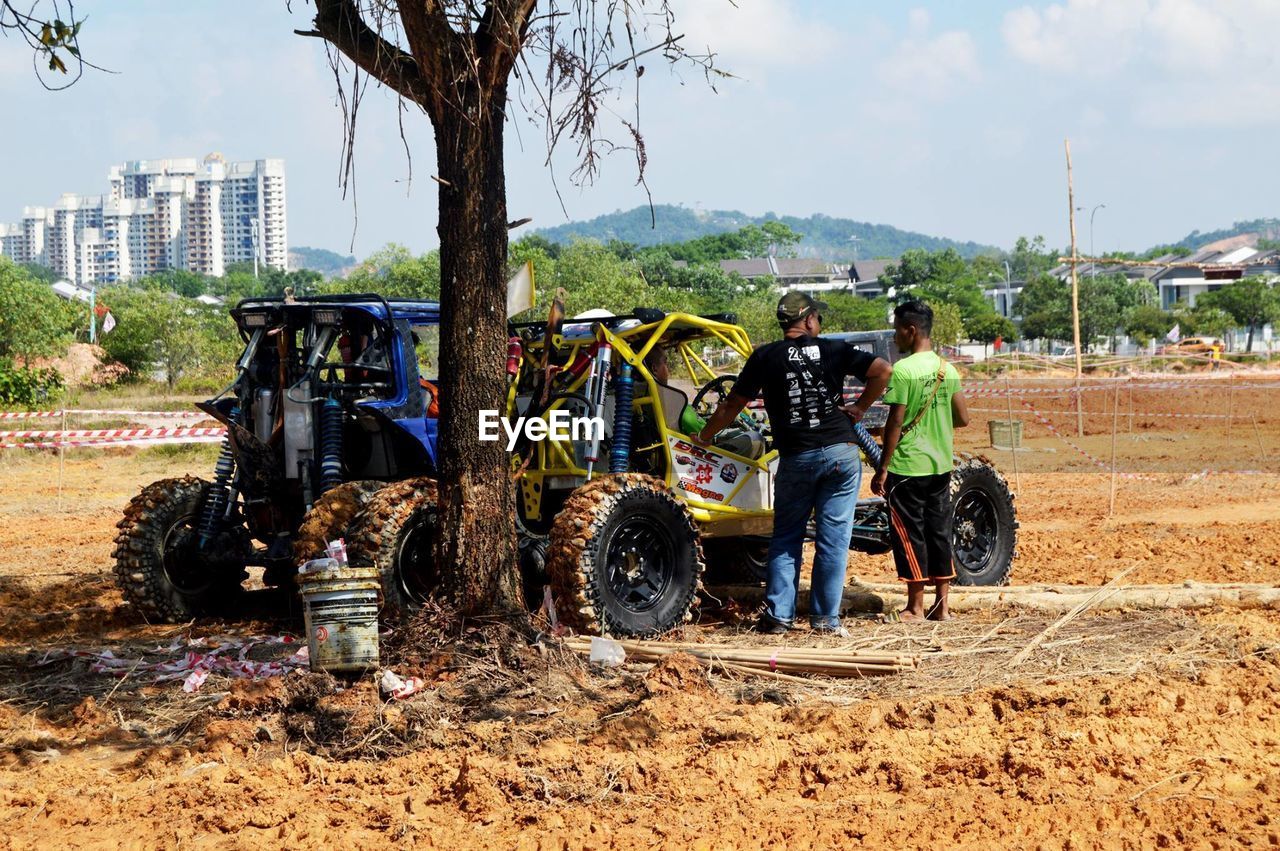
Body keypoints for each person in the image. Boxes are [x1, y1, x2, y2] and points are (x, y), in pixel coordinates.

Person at [696, 292, 892, 635]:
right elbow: (883, 370)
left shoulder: (765, 356)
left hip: (797, 457)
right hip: (841, 453)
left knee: (786, 537)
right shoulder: (833, 349)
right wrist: (860, 407)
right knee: (833, 540)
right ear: (810, 320)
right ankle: (826, 621)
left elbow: (732, 406)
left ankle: (778, 618)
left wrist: (705, 437)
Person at [870, 300, 970, 622]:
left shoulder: (903, 371)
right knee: (938, 532)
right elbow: (963, 418)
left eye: (897, 329)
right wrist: (936, 424)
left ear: (910, 330)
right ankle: (941, 607)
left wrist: (883, 467)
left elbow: (895, 424)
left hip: (907, 466)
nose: (894, 336)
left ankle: (914, 607)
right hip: (940, 464)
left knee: (909, 534)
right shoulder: (947, 369)